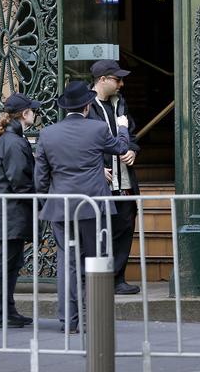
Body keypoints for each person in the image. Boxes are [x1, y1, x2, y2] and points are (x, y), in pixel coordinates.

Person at [34, 81, 130, 333]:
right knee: (95, 262)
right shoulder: (97, 129)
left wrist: (47, 203)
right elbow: (121, 148)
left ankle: (69, 321)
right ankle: (93, 318)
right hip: (93, 205)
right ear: (87, 106)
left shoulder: (47, 134)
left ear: (66, 108)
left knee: (68, 263)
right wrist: (123, 128)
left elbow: (41, 178)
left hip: (61, 206)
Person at [0, 93, 41, 329]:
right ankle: (0, 313)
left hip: (10, 211)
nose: (35, 113)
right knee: (7, 263)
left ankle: (5, 311)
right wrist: (37, 200)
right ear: (24, 114)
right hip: (12, 211)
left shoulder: (12, 139)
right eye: (32, 110)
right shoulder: (14, 142)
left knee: (10, 262)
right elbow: (19, 180)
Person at [89, 59, 141, 295]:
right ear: (102, 80)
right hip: (99, 184)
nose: (121, 84)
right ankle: (100, 280)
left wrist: (131, 149)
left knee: (124, 227)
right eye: (117, 79)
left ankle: (117, 279)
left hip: (124, 181)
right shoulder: (86, 106)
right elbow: (79, 143)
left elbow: (130, 133)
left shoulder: (121, 103)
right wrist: (95, 167)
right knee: (100, 232)